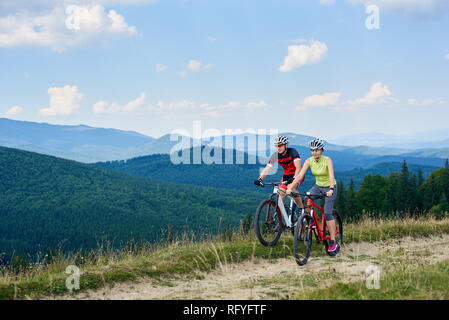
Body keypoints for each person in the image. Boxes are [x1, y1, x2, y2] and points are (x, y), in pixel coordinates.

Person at [286, 138, 339, 254]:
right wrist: (290, 188)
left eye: (317, 150)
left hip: (330, 187)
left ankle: (333, 241)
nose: (314, 152)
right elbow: (299, 176)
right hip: (318, 186)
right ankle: (311, 221)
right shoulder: (309, 161)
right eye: (312, 150)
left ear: (322, 150)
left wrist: (330, 189)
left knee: (327, 212)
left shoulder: (327, 160)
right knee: (307, 198)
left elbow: (331, 176)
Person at [254, 135, 304, 220]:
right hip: (286, 176)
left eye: (280, 145)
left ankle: (301, 208)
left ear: (286, 145)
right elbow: (267, 168)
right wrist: (260, 179)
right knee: (281, 194)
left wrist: (294, 179)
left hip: (298, 174)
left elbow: (298, 167)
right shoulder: (275, 155)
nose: (278, 147)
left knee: (291, 188)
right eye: (276, 145)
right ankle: (282, 219)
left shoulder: (293, 152)